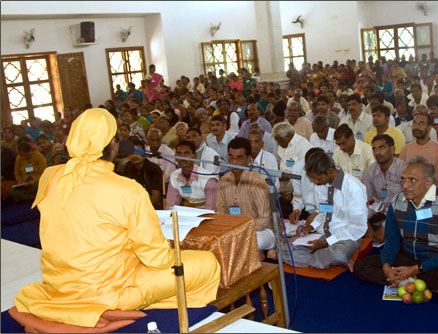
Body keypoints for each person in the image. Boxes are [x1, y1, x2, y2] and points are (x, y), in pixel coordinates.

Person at [13, 108, 220, 328]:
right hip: (110, 291)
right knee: (205, 263)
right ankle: (110, 308)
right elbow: (157, 259)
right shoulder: (127, 190)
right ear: (113, 145)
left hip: (60, 285)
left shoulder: (51, 176)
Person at [354, 156, 438, 297]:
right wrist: (387, 266)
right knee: (361, 266)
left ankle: (406, 280)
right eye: (403, 179)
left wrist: (416, 269)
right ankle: (414, 282)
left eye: (412, 180)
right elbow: (392, 240)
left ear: (428, 183)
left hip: (433, 261)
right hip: (407, 256)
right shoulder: (397, 201)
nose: (405, 185)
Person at [281, 151, 367, 269]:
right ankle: (324, 260)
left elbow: (358, 228)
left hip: (345, 237)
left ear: (330, 171)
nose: (315, 182)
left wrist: (326, 243)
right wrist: (311, 227)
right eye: (312, 179)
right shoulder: (322, 183)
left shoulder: (354, 188)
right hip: (322, 234)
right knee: (284, 249)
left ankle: (325, 258)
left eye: (317, 178)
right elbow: (323, 211)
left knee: (338, 254)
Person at [216, 137, 275, 251]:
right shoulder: (224, 179)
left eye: (239, 158)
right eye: (231, 157)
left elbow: (265, 219)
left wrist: (240, 231)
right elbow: (220, 212)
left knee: (254, 241)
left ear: (249, 159)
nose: (234, 162)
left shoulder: (258, 181)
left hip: (262, 231)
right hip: (232, 230)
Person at [361, 134, 406, 244]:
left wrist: (385, 226)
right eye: (374, 149)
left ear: (392, 149)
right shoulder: (369, 172)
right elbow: (364, 201)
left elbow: (406, 205)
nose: (377, 152)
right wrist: (365, 223)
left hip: (400, 216)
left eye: (382, 147)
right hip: (378, 214)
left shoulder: (404, 169)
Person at [399, 112, 438, 191]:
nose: (416, 127)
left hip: (435, 196)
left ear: (429, 128)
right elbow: (400, 174)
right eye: (414, 123)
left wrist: (433, 193)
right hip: (410, 193)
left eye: (421, 124)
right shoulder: (406, 149)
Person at [166, 140, 218, 210]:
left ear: (195, 156)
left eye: (186, 153)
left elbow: (211, 210)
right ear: (175, 157)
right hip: (186, 214)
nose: (182, 157)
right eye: (179, 153)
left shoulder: (208, 180)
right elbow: (171, 206)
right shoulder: (174, 176)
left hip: (206, 215)